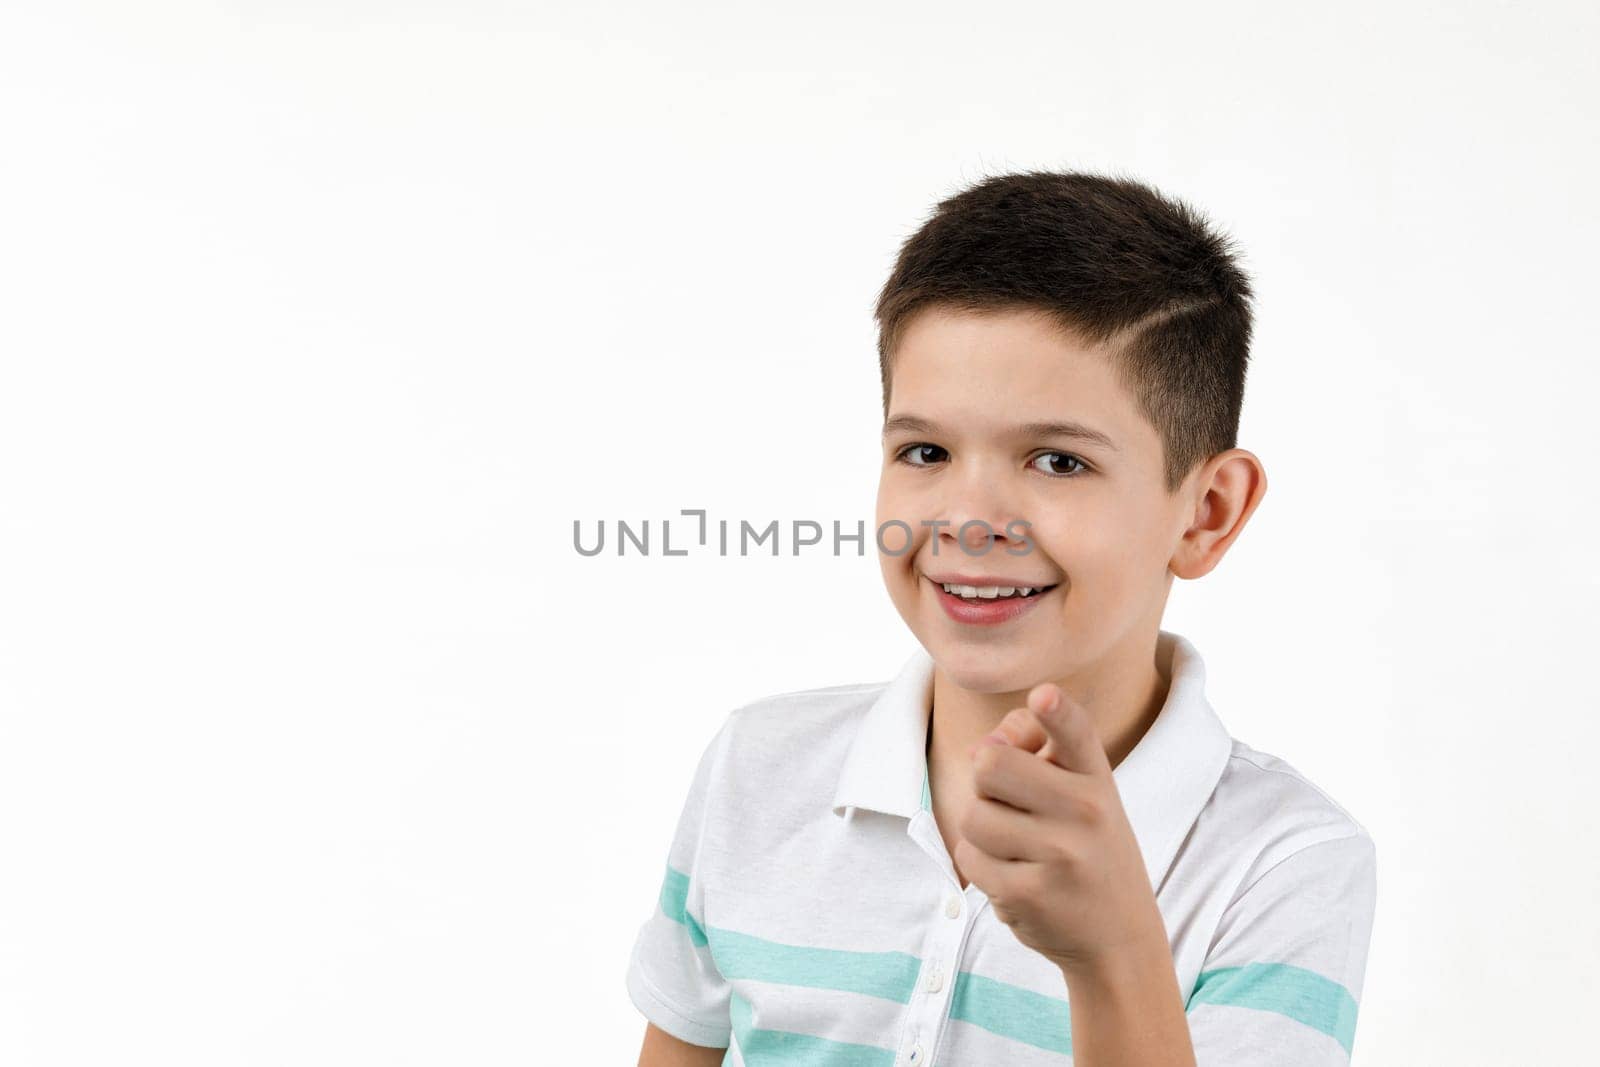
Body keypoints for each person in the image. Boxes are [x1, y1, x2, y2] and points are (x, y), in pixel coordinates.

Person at [625, 170, 1377, 1066]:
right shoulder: (759, 768)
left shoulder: (1285, 862)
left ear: (1207, 510)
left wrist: (1113, 955)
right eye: (926, 450)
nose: (968, 518)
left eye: (1058, 461)